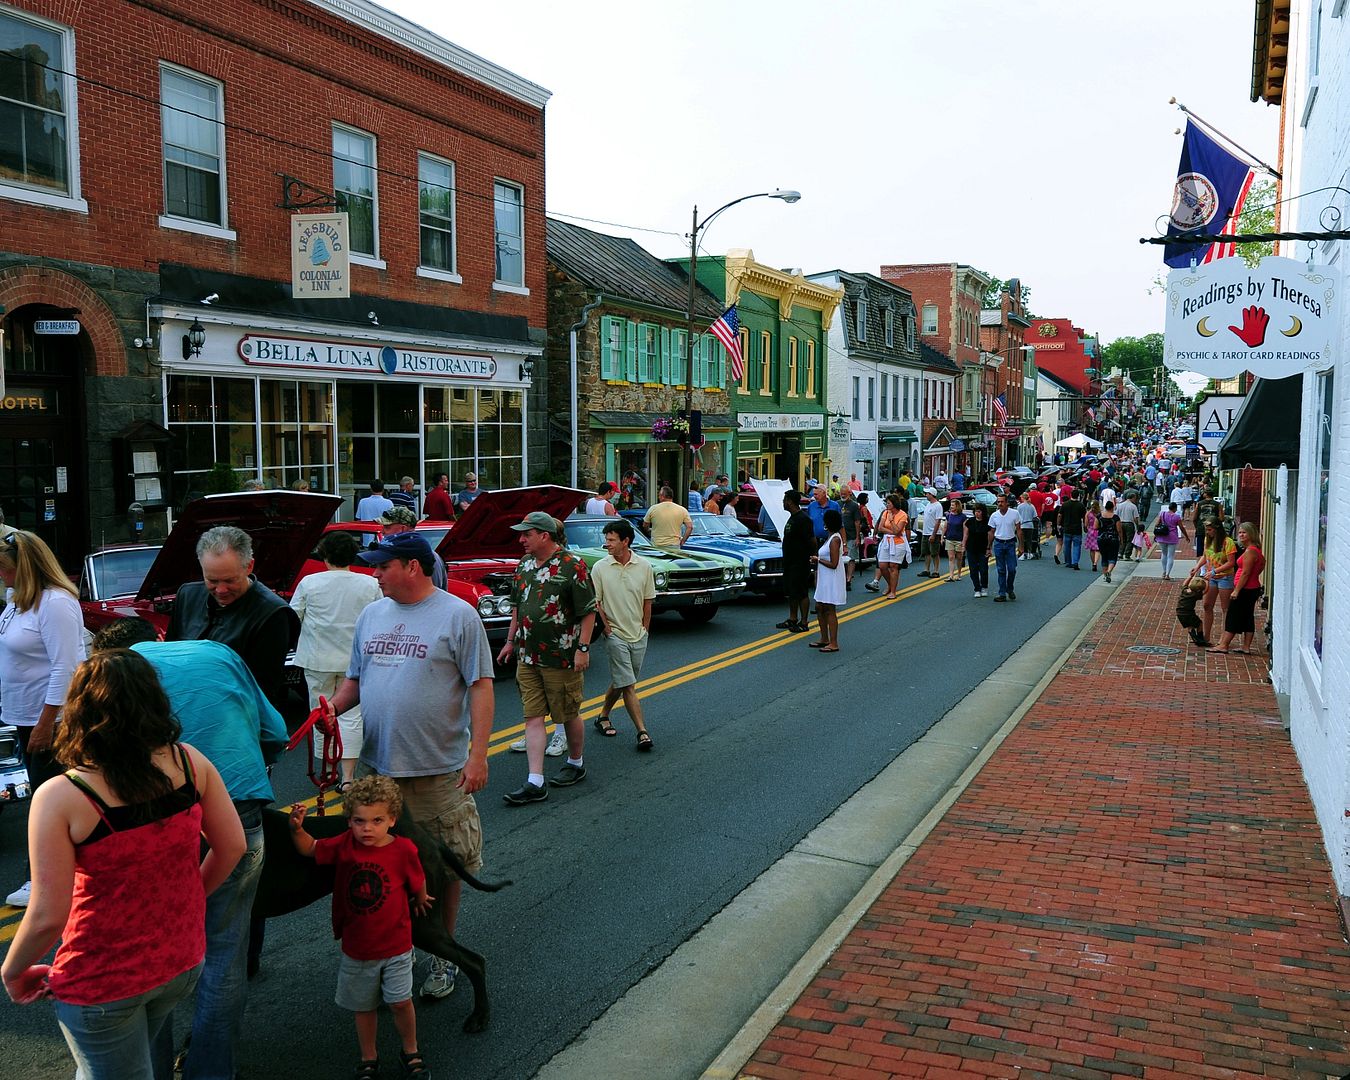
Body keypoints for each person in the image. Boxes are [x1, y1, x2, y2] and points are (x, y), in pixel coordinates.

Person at [1, 650, 245, 1080]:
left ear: (80, 711)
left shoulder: (63, 795)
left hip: (102, 978)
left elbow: (46, 915)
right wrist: (185, 903)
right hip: (181, 960)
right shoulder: (189, 762)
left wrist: (13, 969)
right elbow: (232, 847)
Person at [90, 619, 287, 1080]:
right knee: (224, 952)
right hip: (237, 810)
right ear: (158, 637)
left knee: (154, 953)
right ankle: (212, 1072)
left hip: (150, 818)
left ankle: (153, 1071)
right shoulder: (217, 652)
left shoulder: (110, 673)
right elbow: (274, 729)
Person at [324, 531, 494, 1002]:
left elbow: (480, 686)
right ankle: (395, 952)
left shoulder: (458, 615)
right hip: (380, 772)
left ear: (412, 568)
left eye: (382, 566)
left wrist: (477, 755)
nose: (374, 574)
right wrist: (333, 709)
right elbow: (356, 680)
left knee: (447, 866)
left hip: (437, 771)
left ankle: (444, 953)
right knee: (380, 866)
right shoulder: (371, 615)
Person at [289, 777, 432, 1080]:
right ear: (349, 820)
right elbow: (311, 850)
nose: (367, 828)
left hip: (396, 946)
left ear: (392, 819)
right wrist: (297, 829)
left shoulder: (403, 849)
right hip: (357, 949)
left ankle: (411, 1050)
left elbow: (416, 878)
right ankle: (369, 1056)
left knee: (400, 1002)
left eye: (377, 820)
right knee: (363, 1007)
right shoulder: (345, 845)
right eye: (359, 821)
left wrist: (420, 898)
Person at [0, 529, 85, 908]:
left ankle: (44, 879)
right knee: (43, 798)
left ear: (26, 566)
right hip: (22, 714)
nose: (1, 574)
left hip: (50, 719)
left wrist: (47, 722)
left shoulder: (55, 604)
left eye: (4, 567)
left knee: (48, 802)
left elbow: (66, 668)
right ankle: (51, 873)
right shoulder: (17, 600)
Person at [497, 512, 597, 806]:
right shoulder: (525, 564)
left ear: (544, 535)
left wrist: (583, 648)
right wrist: (510, 640)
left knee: (567, 713)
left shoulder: (572, 566)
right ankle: (535, 781)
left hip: (561, 655)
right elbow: (517, 605)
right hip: (528, 655)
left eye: (526, 534)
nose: (521, 539)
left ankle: (576, 763)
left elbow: (588, 611)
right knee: (532, 715)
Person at [167, 525, 298, 714]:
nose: (220, 590)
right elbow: (170, 658)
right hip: (185, 712)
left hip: (238, 717)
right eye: (211, 580)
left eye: (230, 580)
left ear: (249, 566)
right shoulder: (188, 595)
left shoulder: (272, 613)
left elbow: (262, 692)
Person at [290, 531, 384, 788]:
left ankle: (326, 770)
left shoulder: (309, 583)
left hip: (317, 658)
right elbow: (380, 617)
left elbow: (292, 617)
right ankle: (349, 778)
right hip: (354, 661)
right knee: (352, 717)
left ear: (325, 555)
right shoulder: (369, 584)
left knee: (319, 714)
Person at [590, 519, 656, 751]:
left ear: (625, 541)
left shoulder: (644, 566)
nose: (606, 544)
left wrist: (645, 628)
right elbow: (596, 603)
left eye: (611, 540)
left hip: (638, 635)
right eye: (606, 539)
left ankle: (602, 715)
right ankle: (642, 731)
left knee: (622, 679)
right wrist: (608, 630)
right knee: (628, 684)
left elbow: (648, 601)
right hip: (615, 635)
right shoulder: (600, 567)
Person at [1208, 522, 1265, 655]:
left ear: (1251, 534)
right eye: (1239, 532)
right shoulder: (1256, 550)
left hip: (1245, 589)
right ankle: (1245, 647)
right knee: (1247, 617)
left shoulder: (1250, 551)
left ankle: (1223, 645)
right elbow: (1261, 566)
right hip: (1252, 587)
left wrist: (1237, 590)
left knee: (1233, 616)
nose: (1240, 535)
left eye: (1244, 532)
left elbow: (1246, 573)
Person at [1191, 519, 1237, 647]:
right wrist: (1197, 567)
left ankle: (1224, 639)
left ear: (1217, 529)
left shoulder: (1228, 542)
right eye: (1207, 529)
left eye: (1210, 529)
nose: (1207, 532)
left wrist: (1215, 571)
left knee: (1225, 608)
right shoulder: (1208, 540)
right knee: (1207, 605)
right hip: (1211, 577)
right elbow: (1205, 556)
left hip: (1224, 577)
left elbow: (1231, 562)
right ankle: (1206, 636)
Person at [381, 506, 447, 589]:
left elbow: (431, 593)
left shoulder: (427, 557)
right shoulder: (396, 554)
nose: (382, 531)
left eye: (387, 527)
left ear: (402, 529)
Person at [808, 508, 845, 654]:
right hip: (824, 578)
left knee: (829, 609)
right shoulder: (830, 538)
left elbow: (834, 563)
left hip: (832, 578)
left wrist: (818, 560)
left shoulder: (835, 539)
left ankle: (834, 642)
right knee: (819, 607)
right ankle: (824, 638)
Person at [777, 490, 814, 632]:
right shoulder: (792, 518)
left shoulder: (803, 519)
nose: (783, 503)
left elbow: (811, 540)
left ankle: (804, 622)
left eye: (784, 500)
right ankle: (793, 618)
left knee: (801, 592)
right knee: (791, 592)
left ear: (790, 501)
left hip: (800, 562)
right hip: (790, 561)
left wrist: (810, 556)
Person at [869, 493, 908, 599]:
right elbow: (881, 528)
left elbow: (898, 531)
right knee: (882, 565)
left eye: (889, 503)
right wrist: (891, 531)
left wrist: (891, 520)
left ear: (894, 504)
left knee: (893, 566)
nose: (887, 505)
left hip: (898, 543)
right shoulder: (885, 513)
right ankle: (891, 584)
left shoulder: (903, 515)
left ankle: (893, 591)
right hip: (886, 541)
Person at [989, 493, 1020, 602]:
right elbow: (991, 532)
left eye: (1002, 502)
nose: (1000, 504)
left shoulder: (1015, 513)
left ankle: (1009, 588)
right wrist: (988, 547)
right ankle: (1002, 593)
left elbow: (1019, 530)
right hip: (998, 544)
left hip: (1010, 543)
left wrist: (1021, 546)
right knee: (1001, 570)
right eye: (998, 502)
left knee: (1012, 569)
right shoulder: (994, 515)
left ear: (1007, 503)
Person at [643, 485, 693, 550]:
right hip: (674, 545)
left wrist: (649, 531)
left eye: (659, 495)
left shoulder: (653, 509)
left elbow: (645, 525)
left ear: (662, 496)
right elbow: (690, 527)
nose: (659, 497)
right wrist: (683, 541)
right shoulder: (682, 510)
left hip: (657, 545)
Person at [1153, 501, 1189, 581]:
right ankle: (1167, 574)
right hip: (1172, 537)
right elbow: (1181, 527)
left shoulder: (1162, 514)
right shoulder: (1176, 517)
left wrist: (1156, 535)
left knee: (1164, 554)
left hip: (1162, 536)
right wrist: (1186, 536)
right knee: (1170, 556)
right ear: (1175, 508)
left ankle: (1164, 571)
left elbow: (1156, 524)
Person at [963, 504, 992, 598]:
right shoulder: (970, 521)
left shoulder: (987, 522)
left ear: (983, 512)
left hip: (983, 548)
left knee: (983, 569)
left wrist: (989, 548)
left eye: (979, 511)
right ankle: (977, 588)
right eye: (976, 511)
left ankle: (984, 587)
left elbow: (990, 535)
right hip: (971, 548)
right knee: (973, 569)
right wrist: (963, 545)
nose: (977, 513)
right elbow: (966, 534)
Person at [838, 487, 864, 590]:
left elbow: (857, 522)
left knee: (851, 558)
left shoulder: (854, 505)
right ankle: (842, 579)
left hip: (851, 535)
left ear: (849, 493)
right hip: (839, 537)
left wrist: (857, 537)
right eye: (841, 493)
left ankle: (848, 580)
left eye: (844, 493)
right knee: (841, 559)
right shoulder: (837, 504)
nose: (843, 495)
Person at [917, 490, 944, 579]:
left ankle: (936, 571)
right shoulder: (928, 505)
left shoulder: (938, 506)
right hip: (925, 531)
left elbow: (938, 521)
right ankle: (926, 569)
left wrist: (933, 534)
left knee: (934, 553)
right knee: (926, 552)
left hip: (933, 532)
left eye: (927, 494)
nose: (926, 495)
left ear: (932, 495)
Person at [1057, 488, 1085, 570]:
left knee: (1067, 546)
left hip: (1067, 528)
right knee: (1076, 546)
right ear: (1078, 496)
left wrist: (1058, 524)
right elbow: (1084, 517)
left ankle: (1068, 562)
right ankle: (1075, 562)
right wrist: (1085, 526)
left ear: (1070, 495)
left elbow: (1059, 515)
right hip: (1077, 529)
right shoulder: (1081, 505)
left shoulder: (1065, 504)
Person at [1097, 499, 1122, 583]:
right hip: (1113, 539)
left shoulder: (1099, 516)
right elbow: (1119, 530)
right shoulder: (1115, 517)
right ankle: (1109, 571)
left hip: (1101, 538)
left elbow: (1095, 526)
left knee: (1104, 556)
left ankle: (1105, 575)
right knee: (1112, 556)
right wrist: (1121, 539)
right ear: (1112, 508)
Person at [942, 498, 966, 582]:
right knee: (951, 557)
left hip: (959, 539)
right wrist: (942, 536)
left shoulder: (963, 517)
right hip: (950, 538)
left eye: (953, 505)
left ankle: (959, 574)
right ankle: (951, 575)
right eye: (951, 505)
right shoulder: (949, 515)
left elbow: (964, 529)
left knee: (959, 557)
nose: (951, 507)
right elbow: (945, 526)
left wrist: (964, 541)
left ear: (957, 506)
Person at [1016, 491, 1040, 560]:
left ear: (1023, 498)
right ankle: (1029, 553)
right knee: (1029, 540)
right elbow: (1035, 516)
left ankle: (1022, 554)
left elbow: (1017, 516)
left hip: (1022, 525)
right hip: (1030, 525)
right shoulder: (1031, 506)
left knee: (1021, 540)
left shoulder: (1019, 506)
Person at [1117, 492, 1140, 561]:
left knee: (1122, 538)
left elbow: (1116, 515)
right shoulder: (1133, 506)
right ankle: (1127, 555)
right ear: (1133, 498)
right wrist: (1137, 525)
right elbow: (1135, 518)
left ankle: (1120, 553)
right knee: (1130, 540)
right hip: (1129, 523)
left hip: (1121, 522)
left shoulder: (1120, 505)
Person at [1083, 504, 1101, 572]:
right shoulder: (1100, 514)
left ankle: (1093, 563)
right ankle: (1095, 562)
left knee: (1092, 549)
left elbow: (1085, 524)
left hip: (1090, 531)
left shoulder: (1088, 514)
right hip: (1098, 531)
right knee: (1097, 549)